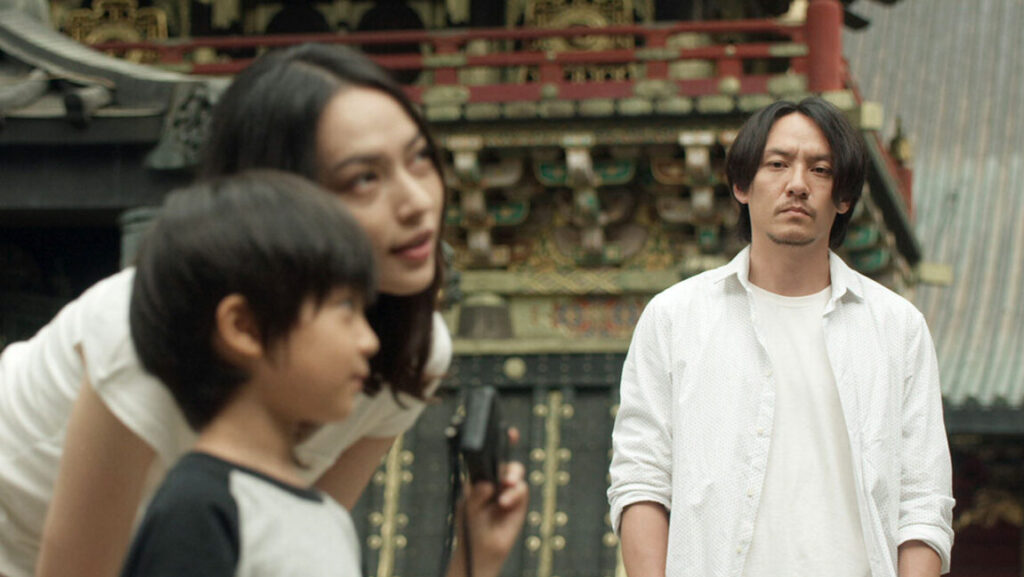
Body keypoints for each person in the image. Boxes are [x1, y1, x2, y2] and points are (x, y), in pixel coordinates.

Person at [0, 44, 526, 577]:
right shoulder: (146, 327)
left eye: (419, 158)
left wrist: (473, 559)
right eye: (364, 178)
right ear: (274, 196)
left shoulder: (409, 350)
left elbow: (293, 552)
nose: (416, 200)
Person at [607, 97, 954, 577]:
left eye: (820, 169)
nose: (797, 184)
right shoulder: (674, 318)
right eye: (777, 164)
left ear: (844, 197)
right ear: (741, 185)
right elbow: (641, 480)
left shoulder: (898, 329)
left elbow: (922, 501)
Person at [121, 170, 522, 577]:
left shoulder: (326, 519)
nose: (368, 341)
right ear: (244, 327)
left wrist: (477, 557)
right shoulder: (199, 509)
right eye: (346, 307)